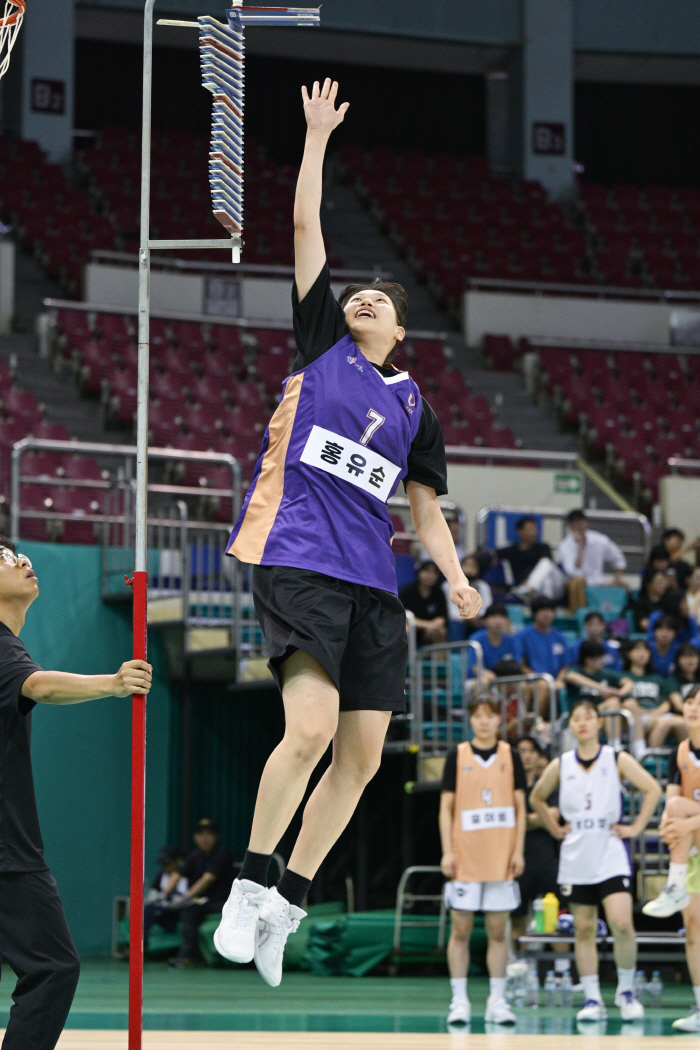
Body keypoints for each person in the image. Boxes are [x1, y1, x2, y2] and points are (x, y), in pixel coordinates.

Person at [218, 78, 482, 988]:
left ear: (402, 331)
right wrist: (316, 138)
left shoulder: (415, 406)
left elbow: (426, 511)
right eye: (358, 293)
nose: (364, 298)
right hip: (299, 559)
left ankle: (287, 901)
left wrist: (453, 576)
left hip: (375, 587)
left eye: (380, 300)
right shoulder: (322, 345)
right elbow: (303, 232)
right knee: (309, 733)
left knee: (363, 759)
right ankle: (247, 884)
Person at [0, 538, 152, 1050]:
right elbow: (39, 687)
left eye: (16, 552)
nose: (21, 560)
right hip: (6, 852)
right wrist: (112, 683)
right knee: (52, 967)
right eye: (1, 558)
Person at [531, 698, 661, 1023]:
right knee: (584, 928)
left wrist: (636, 826)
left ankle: (626, 991)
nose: (583, 723)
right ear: (571, 726)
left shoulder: (615, 758)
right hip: (576, 856)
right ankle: (591, 998)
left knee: (622, 923)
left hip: (611, 850)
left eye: (589, 717)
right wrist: (554, 827)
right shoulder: (561, 764)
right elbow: (536, 796)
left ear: (599, 723)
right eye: (577, 718)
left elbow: (653, 789)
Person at [439, 695, 526, 1026]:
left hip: (501, 858)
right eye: (479, 715)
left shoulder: (510, 756)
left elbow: (520, 808)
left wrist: (518, 851)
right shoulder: (457, 755)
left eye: (491, 715)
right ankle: (459, 1000)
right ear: (471, 720)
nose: (485, 721)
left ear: (499, 721)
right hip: (465, 858)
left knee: (497, 931)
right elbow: (445, 809)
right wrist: (448, 850)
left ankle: (497, 1000)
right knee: (460, 929)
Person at [641, 685, 700, 1030]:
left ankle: (673, 884)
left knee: (677, 809)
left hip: (693, 828)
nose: (693, 708)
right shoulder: (679, 752)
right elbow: (671, 803)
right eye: (689, 702)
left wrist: (681, 820)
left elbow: (678, 808)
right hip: (694, 845)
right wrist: (669, 827)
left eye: (699, 704)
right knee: (693, 930)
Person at [510, 736, 560, 951]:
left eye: (531, 751)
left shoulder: (549, 789)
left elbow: (554, 817)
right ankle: (519, 968)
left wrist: (524, 819)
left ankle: (562, 970)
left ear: (539, 757)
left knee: (558, 919)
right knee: (517, 921)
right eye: (521, 751)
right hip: (518, 863)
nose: (526, 756)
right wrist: (539, 818)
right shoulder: (508, 790)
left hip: (548, 861)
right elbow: (508, 821)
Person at [169, 819, 235, 968]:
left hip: (221, 902)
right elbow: (177, 874)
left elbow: (207, 879)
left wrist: (185, 897)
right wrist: (164, 895)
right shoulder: (195, 856)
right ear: (195, 837)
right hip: (202, 901)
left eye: (209, 834)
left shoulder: (222, 854)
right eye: (201, 834)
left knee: (190, 910)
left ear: (216, 836)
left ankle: (187, 956)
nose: (205, 838)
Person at [621, 638, 685, 755]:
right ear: (628, 654)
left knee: (682, 722)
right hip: (638, 718)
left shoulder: (656, 678)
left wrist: (657, 712)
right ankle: (648, 758)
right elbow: (627, 703)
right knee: (662, 723)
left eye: (645, 650)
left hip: (658, 713)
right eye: (637, 650)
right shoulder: (624, 677)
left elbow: (666, 702)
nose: (642, 654)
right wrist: (646, 712)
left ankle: (691, 756)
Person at [557, 510, 626, 612]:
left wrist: (616, 579)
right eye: (575, 523)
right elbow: (572, 572)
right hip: (575, 585)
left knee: (624, 585)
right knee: (577, 581)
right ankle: (581, 616)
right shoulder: (565, 545)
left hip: (598, 584)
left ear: (587, 523)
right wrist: (580, 548)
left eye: (581, 522)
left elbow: (619, 559)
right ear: (570, 526)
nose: (579, 526)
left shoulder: (600, 540)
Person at [514, 597, 569, 715]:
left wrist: (559, 680)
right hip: (532, 679)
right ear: (534, 613)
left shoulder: (559, 636)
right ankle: (535, 724)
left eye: (550, 611)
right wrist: (539, 678)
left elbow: (565, 665)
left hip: (554, 681)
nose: (547, 614)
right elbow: (520, 665)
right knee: (543, 686)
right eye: (542, 611)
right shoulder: (523, 636)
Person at [497, 517, 563, 600]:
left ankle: (525, 589)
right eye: (529, 529)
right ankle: (545, 606)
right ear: (520, 531)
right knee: (546, 582)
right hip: (538, 591)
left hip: (557, 587)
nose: (533, 533)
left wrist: (528, 583)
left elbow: (547, 568)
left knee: (545, 563)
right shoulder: (512, 550)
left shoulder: (543, 547)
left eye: (534, 529)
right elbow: (493, 555)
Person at [144, 845, 187, 952]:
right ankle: (140, 947)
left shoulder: (189, 872)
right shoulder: (162, 875)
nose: (165, 867)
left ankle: (185, 954)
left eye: (168, 863)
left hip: (184, 910)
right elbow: (155, 893)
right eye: (163, 864)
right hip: (167, 912)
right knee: (148, 910)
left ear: (178, 860)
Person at [465, 604, 518, 686]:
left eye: (501, 617)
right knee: (484, 682)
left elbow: (516, 666)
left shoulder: (512, 641)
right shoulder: (476, 639)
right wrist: (490, 676)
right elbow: (474, 667)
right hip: (477, 679)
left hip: (505, 681)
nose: (498, 621)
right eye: (493, 617)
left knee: (523, 685)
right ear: (485, 621)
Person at [400, 560, 448, 646]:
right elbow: (403, 616)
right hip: (412, 626)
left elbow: (442, 616)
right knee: (406, 630)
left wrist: (436, 624)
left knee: (441, 631)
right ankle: (407, 659)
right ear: (419, 573)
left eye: (434, 572)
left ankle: (440, 659)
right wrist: (428, 624)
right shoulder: (408, 591)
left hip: (428, 631)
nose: (430, 576)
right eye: (426, 571)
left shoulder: (439, 593)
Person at [661, 527, 700, 592]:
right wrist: (689, 546)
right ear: (666, 540)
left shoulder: (682, 564)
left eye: (680, 541)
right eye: (677, 540)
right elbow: (670, 560)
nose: (679, 543)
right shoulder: (658, 552)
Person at [668, 643, 700, 710]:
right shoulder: (672, 680)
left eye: (693, 656)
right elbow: (678, 706)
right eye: (686, 657)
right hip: (683, 716)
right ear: (678, 660)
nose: (690, 660)